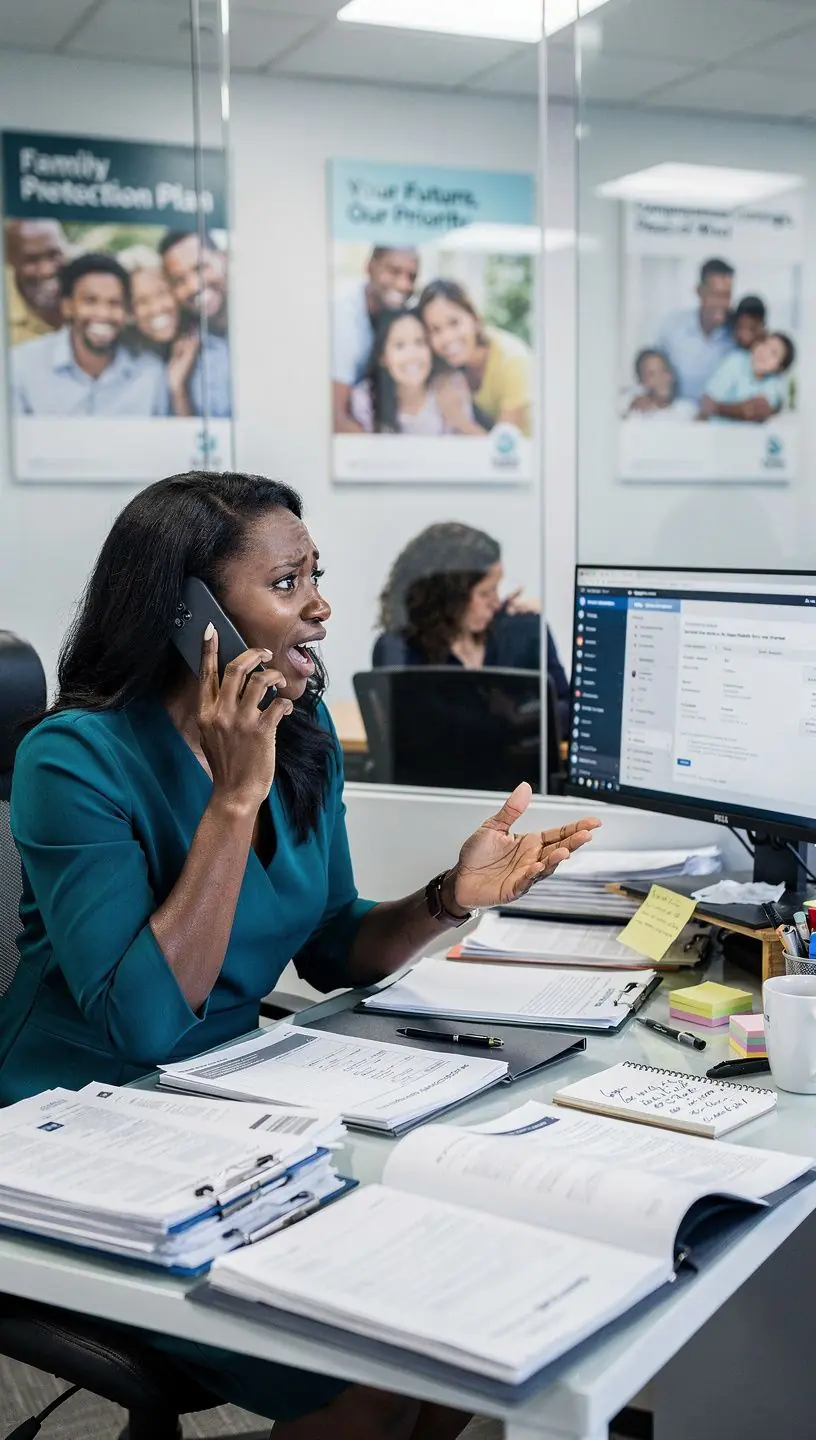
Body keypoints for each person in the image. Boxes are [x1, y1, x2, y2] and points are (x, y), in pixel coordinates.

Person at [0, 471, 598, 1436]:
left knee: (460, 1332)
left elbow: (332, 944)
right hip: (77, 1122)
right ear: (188, 614)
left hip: (231, 1106)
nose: (319, 607)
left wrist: (450, 897)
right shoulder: (73, 757)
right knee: (369, 1369)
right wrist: (235, 797)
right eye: (286, 583)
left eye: (316, 576)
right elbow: (144, 1023)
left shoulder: (300, 723)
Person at [374, 523, 570, 730]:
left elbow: (569, 708)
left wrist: (523, 718)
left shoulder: (524, 632)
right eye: (485, 593)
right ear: (448, 598)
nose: (495, 603)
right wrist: (507, 722)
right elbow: (414, 730)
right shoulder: (401, 649)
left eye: (496, 589)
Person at [10, 252, 170, 416]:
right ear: (68, 307)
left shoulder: (149, 373)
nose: (103, 314)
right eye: (90, 301)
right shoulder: (21, 366)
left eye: (114, 303)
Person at [418, 280, 532, 436]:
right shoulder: (444, 367)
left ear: (475, 319)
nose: (447, 337)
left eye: (454, 323)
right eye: (435, 330)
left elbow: (504, 447)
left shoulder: (512, 360)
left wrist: (459, 419)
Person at [332, 245, 419, 433]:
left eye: (412, 277)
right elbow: (336, 418)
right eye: (394, 271)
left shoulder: (397, 315)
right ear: (369, 267)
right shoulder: (344, 321)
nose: (403, 285)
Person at [350, 309, 475, 434]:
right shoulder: (365, 400)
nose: (412, 355)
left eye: (420, 342)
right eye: (399, 346)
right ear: (382, 357)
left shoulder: (451, 386)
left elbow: (477, 443)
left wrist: (458, 418)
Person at [158, 230, 231, 418]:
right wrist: (178, 389)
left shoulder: (267, 322)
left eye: (200, 268)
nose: (193, 286)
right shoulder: (186, 348)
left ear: (223, 259)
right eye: (179, 280)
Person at [126, 256, 209, 419]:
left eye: (162, 293)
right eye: (141, 301)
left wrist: (178, 389)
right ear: (131, 312)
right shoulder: (128, 360)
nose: (156, 308)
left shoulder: (206, 345)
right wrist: (176, 385)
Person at [655, 257, 736, 404]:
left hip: (723, 414)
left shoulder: (737, 332)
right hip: (677, 412)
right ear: (699, 292)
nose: (722, 303)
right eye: (716, 295)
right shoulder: (672, 326)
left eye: (727, 296)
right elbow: (651, 369)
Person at [699, 331, 795, 424]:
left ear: (778, 367)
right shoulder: (736, 361)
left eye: (774, 353)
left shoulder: (775, 382)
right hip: (718, 428)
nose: (764, 352)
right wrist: (741, 410)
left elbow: (762, 411)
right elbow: (706, 403)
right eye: (765, 344)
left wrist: (747, 411)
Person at [625, 349, 696, 420]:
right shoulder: (635, 415)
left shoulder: (687, 412)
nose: (660, 378)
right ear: (642, 381)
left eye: (664, 371)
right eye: (652, 374)